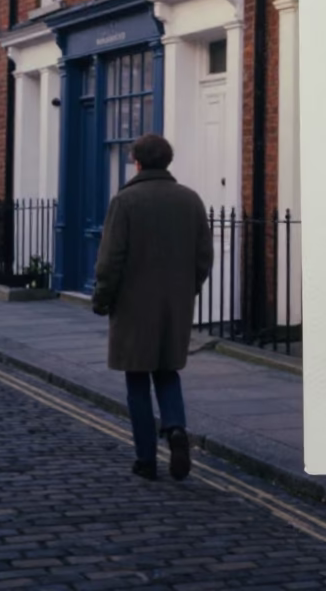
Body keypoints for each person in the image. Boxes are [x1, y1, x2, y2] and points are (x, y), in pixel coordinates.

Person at [91, 134, 213, 482]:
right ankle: (175, 428)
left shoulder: (125, 201)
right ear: (167, 162)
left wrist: (102, 298)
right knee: (167, 371)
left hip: (132, 306)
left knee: (137, 382)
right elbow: (204, 255)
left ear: (138, 163)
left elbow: (110, 260)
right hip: (174, 305)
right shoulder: (190, 200)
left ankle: (146, 459)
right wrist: (189, 289)